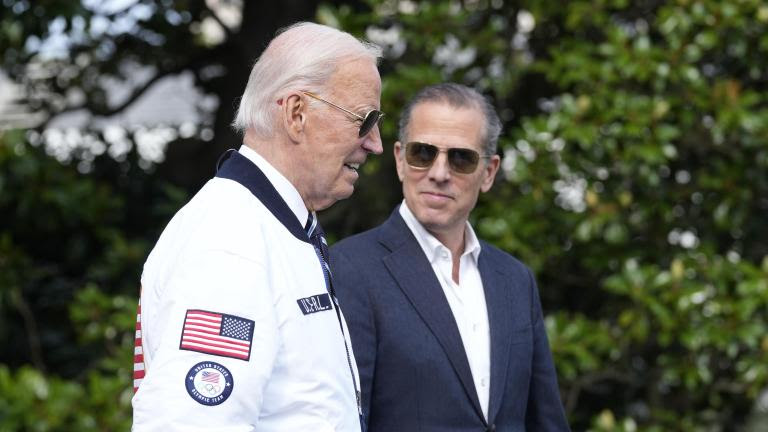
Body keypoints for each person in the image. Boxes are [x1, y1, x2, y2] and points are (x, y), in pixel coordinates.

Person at [131, 22, 384, 431]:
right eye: (364, 119)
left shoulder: (273, 226)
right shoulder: (231, 241)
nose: (374, 143)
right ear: (296, 113)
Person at [330, 83, 570, 431]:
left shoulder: (515, 279)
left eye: (461, 158)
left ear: (488, 172)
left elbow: (545, 421)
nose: (439, 173)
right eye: (423, 153)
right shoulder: (350, 269)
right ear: (399, 160)